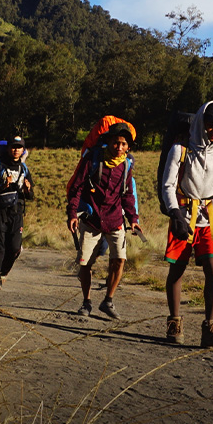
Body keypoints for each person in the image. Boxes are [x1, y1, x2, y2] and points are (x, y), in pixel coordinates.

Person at [160, 101, 213, 347]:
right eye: (210, 124)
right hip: (183, 217)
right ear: (200, 122)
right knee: (177, 269)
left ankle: (211, 326)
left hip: (209, 219)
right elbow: (167, 185)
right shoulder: (180, 149)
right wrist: (174, 213)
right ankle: (174, 322)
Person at [66, 122, 141, 319]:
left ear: (128, 147)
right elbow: (76, 188)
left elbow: (127, 195)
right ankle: (86, 301)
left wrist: (133, 218)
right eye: (116, 143)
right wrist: (73, 214)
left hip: (115, 219)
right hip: (92, 220)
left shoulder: (126, 165)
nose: (119, 147)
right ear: (108, 142)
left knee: (119, 260)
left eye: (124, 144)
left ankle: (108, 300)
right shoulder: (92, 159)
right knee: (85, 264)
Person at [0, 135, 34, 290]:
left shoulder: (24, 169)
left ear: (23, 150)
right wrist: (2, 186)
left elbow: (30, 196)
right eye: (13, 147)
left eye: (19, 147)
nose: (16, 150)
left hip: (16, 212)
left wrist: (28, 190)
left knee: (15, 247)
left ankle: (4, 272)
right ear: (8, 148)